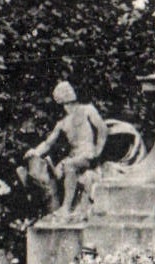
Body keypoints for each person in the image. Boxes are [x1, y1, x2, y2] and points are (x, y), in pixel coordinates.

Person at [18, 81, 108, 216]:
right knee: (54, 173)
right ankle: (51, 204)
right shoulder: (63, 123)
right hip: (74, 156)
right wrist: (35, 151)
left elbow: (102, 129)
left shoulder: (87, 110)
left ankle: (66, 207)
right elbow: (48, 143)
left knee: (69, 166)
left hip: (88, 155)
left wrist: (98, 150)